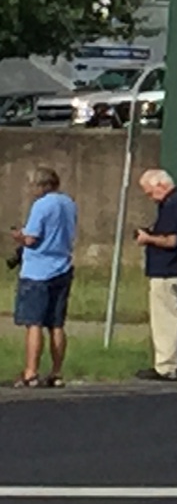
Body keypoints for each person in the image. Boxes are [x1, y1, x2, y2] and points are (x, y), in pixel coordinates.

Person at [13, 166, 77, 389]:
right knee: (57, 324)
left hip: (37, 270)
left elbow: (31, 238)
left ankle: (31, 372)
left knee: (34, 323)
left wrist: (18, 236)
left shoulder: (41, 206)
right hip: (62, 266)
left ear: (41, 185)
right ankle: (57, 372)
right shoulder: (69, 203)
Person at [133, 167, 177, 381]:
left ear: (161, 185)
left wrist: (147, 239)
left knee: (166, 319)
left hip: (168, 269)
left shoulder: (172, 205)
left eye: (150, 193)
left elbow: (171, 240)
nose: (151, 198)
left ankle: (166, 366)